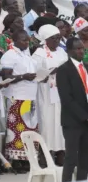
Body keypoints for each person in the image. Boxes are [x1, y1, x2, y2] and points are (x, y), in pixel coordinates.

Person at [56, 38, 88, 182]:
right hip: (73, 122)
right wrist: (84, 116)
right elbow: (67, 99)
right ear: (69, 51)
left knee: (84, 162)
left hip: (86, 123)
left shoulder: (86, 68)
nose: (81, 52)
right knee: (71, 160)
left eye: (82, 49)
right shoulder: (64, 70)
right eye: (77, 49)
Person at [0, 30, 38, 168]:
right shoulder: (9, 55)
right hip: (17, 97)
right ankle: (16, 161)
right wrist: (23, 76)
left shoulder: (27, 55)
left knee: (29, 129)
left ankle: (27, 159)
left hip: (30, 96)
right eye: (23, 40)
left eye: (27, 40)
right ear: (14, 40)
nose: (26, 42)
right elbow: (6, 77)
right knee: (17, 129)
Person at [33, 25, 68, 165]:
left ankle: (61, 154)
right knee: (47, 122)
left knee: (60, 123)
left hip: (60, 92)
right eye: (54, 38)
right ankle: (45, 157)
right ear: (45, 39)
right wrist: (49, 73)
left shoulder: (61, 51)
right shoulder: (39, 53)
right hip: (45, 91)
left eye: (58, 37)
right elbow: (35, 73)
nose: (57, 40)